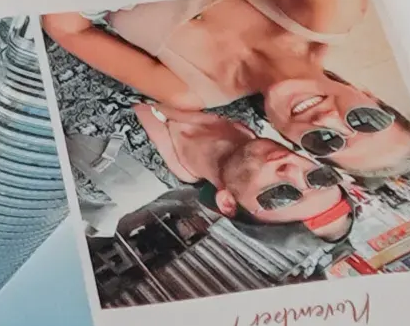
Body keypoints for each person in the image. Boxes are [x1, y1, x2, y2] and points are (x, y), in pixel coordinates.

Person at [42, 0, 410, 182]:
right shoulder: (330, 9)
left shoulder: (187, 91)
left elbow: (66, 27)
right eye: (364, 121)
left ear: (294, 141)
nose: (330, 119)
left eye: (327, 142)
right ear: (368, 97)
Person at [133, 103, 358, 241]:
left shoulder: (119, 163)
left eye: (281, 196)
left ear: (228, 203)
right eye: (319, 179)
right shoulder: (251, 98)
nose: (292, 169)